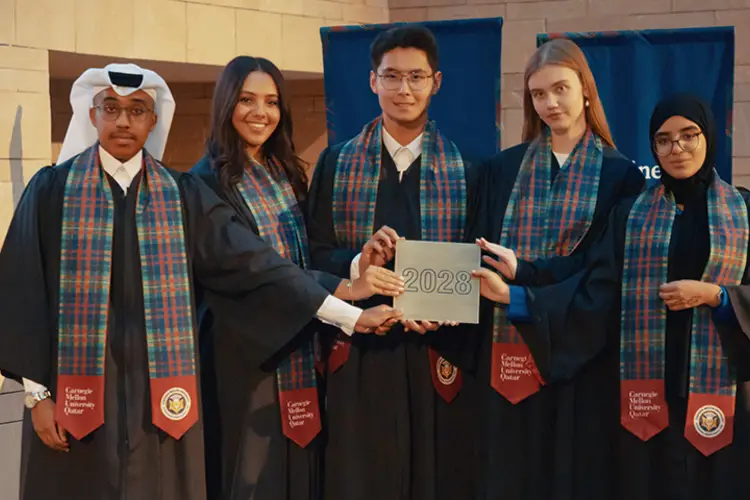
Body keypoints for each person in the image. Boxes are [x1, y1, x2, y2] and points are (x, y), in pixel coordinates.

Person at [0, 63, 400, 500]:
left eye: (137, 110)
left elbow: (258, 265)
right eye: (110, 107)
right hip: (76, 393)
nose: (122, 120)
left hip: (161, 397)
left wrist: (347, 313)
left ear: (154, 121)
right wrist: (37, 397)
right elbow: (22, 291)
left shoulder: (182, 194)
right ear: (91, 114)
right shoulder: (51, 191)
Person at [475, 94, 750, 500]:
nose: (677, 149)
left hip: (720, 394)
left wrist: (717, 297)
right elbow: (593, 289)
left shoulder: (743, 212)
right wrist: (516, 295)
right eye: (664, 140)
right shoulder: (630, 214)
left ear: (708, 136)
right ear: (653, 148)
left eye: (688, 136)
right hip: (643, 395)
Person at [192, 55, 405, 500]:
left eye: (271, 102)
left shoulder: (282, 173)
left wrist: (355, 267)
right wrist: (348, 305)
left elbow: (300, 254)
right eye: (247, 99)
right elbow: (257, 266)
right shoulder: (204, 184)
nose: (260, 112)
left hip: (297, 346)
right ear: (225, 104)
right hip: (244, 357)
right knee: (254, 478)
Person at [307, 25, 482, 500]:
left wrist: (448, 304)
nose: (404, 90)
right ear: (372, 82)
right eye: (392, 77)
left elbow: (475, 263)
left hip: (438, 349)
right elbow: (315, 254)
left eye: (416, 77)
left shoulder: (468, 170)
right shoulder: (336, 163)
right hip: (362, 347)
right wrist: (359, 264)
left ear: (436, 82)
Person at [465, 38, 645, 500]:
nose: (549, 103)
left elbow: (602, 274)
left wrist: (523, 286)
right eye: (538, 94)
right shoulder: (502, 170)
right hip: (503, 348)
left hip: (580, 354)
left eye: (560, 89)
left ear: (585, 89)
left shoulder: (619, 176)